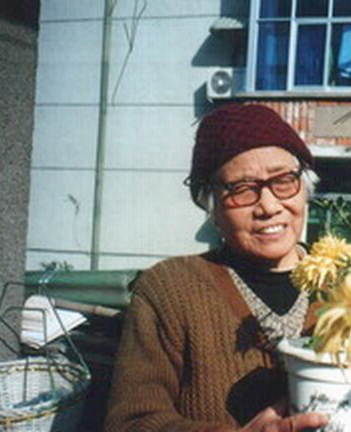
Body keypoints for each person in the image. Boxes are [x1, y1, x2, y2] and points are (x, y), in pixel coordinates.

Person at [104, 104, 331, 432]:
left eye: (284, 181)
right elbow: (130, 423)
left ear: (305, 188)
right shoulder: (171, 289)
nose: (269, 207)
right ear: (211, 205)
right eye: (242, 189)